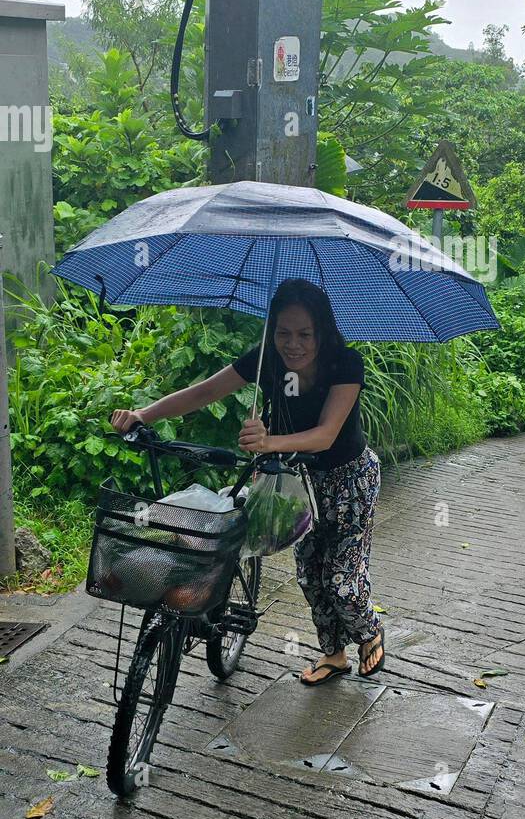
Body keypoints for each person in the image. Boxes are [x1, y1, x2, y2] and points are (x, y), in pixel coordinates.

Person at [110, 279, 385, 683]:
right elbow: (204, 392)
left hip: (350, 482)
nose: (293, 344)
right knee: (310, 574)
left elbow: (326, 434)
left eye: (305, 334)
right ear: (272, 330)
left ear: (322, 331)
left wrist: (269, 440)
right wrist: (143, 414)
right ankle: (334, 655)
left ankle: (370, 631)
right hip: (295, 480)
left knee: (342, 581)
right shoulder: (267, 361)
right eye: (283, 332)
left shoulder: (345, 363)